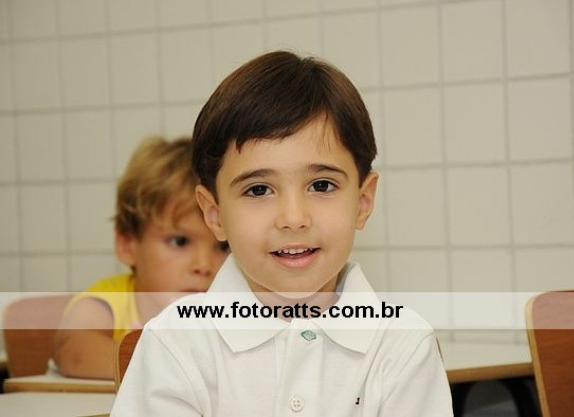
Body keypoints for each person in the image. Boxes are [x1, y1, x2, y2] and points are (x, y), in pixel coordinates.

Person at [112, 51, 453, 415]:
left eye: (321, 185)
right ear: (214, 214)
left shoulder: (403, 345)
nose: (293, 218)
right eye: (258, 190)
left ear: (362, 202)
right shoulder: (175, 344)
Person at [52, 137, 229, 380]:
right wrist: (165, 363)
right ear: (128, 245)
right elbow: (73, 352)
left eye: (223, 246)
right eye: (179, 241)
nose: (204, 265)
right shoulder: (108, 304)